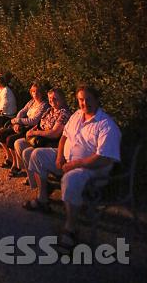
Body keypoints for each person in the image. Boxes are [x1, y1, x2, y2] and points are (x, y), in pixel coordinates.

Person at [25, 85, 121, 251]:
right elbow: (63, 136)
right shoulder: (77, 115)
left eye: (88, 99)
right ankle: (43, 200)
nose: (84, 103)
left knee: (70, 178)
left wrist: (75, 164)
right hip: (69, 160)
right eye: (81, 100)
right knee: (36, 155)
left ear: (97, 100)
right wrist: (59, 156)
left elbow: (103, 158)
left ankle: (71, 228)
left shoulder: (106, 125)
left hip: (91, 168)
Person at [14, 88, 71, 184]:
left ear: (62, 99)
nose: (52, 101)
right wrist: (31, 131)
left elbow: (54, 133)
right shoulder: (50, 110)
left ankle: (40, 181)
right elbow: (40, 123)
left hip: (51, 142)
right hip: (40, 138)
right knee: (18, 143)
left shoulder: (64, 113)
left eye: (55, 98)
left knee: (27, 153)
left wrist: (35, 133)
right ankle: (33, 178)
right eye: (50, 98)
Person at [0, 82, 49, 176]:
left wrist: (18, 121)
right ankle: (10, 157)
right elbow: (22, 111)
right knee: (1, 133)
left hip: (31, 128)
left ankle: (17, 165)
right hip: (22, 125)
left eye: (37, 92)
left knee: (11, 139)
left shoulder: (44, 105)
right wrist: (16, 122)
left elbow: (34, 120)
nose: (35, 94)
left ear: (42, 93)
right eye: (33, 92)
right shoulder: (32, 102)